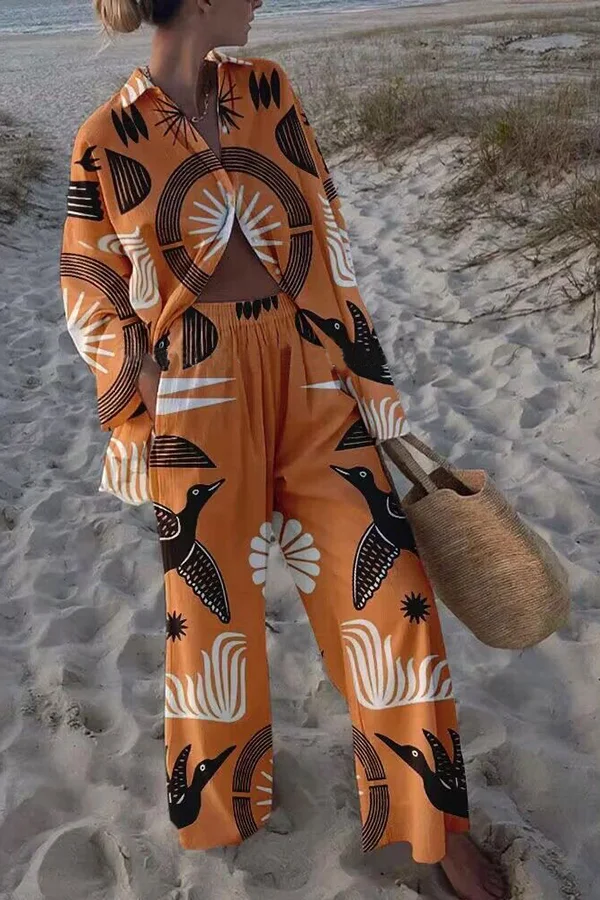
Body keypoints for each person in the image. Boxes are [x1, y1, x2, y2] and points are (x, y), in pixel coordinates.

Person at [59, 1, 506, 897]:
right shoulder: (107, 136)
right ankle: (225, 803)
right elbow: (87, 279)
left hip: (308, 370)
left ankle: (432, 825)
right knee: (209, 610)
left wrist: (360, 371)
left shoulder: (268, 91)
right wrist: (138, 382)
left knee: (392, 586)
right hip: (198, 388)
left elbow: (325, 232)